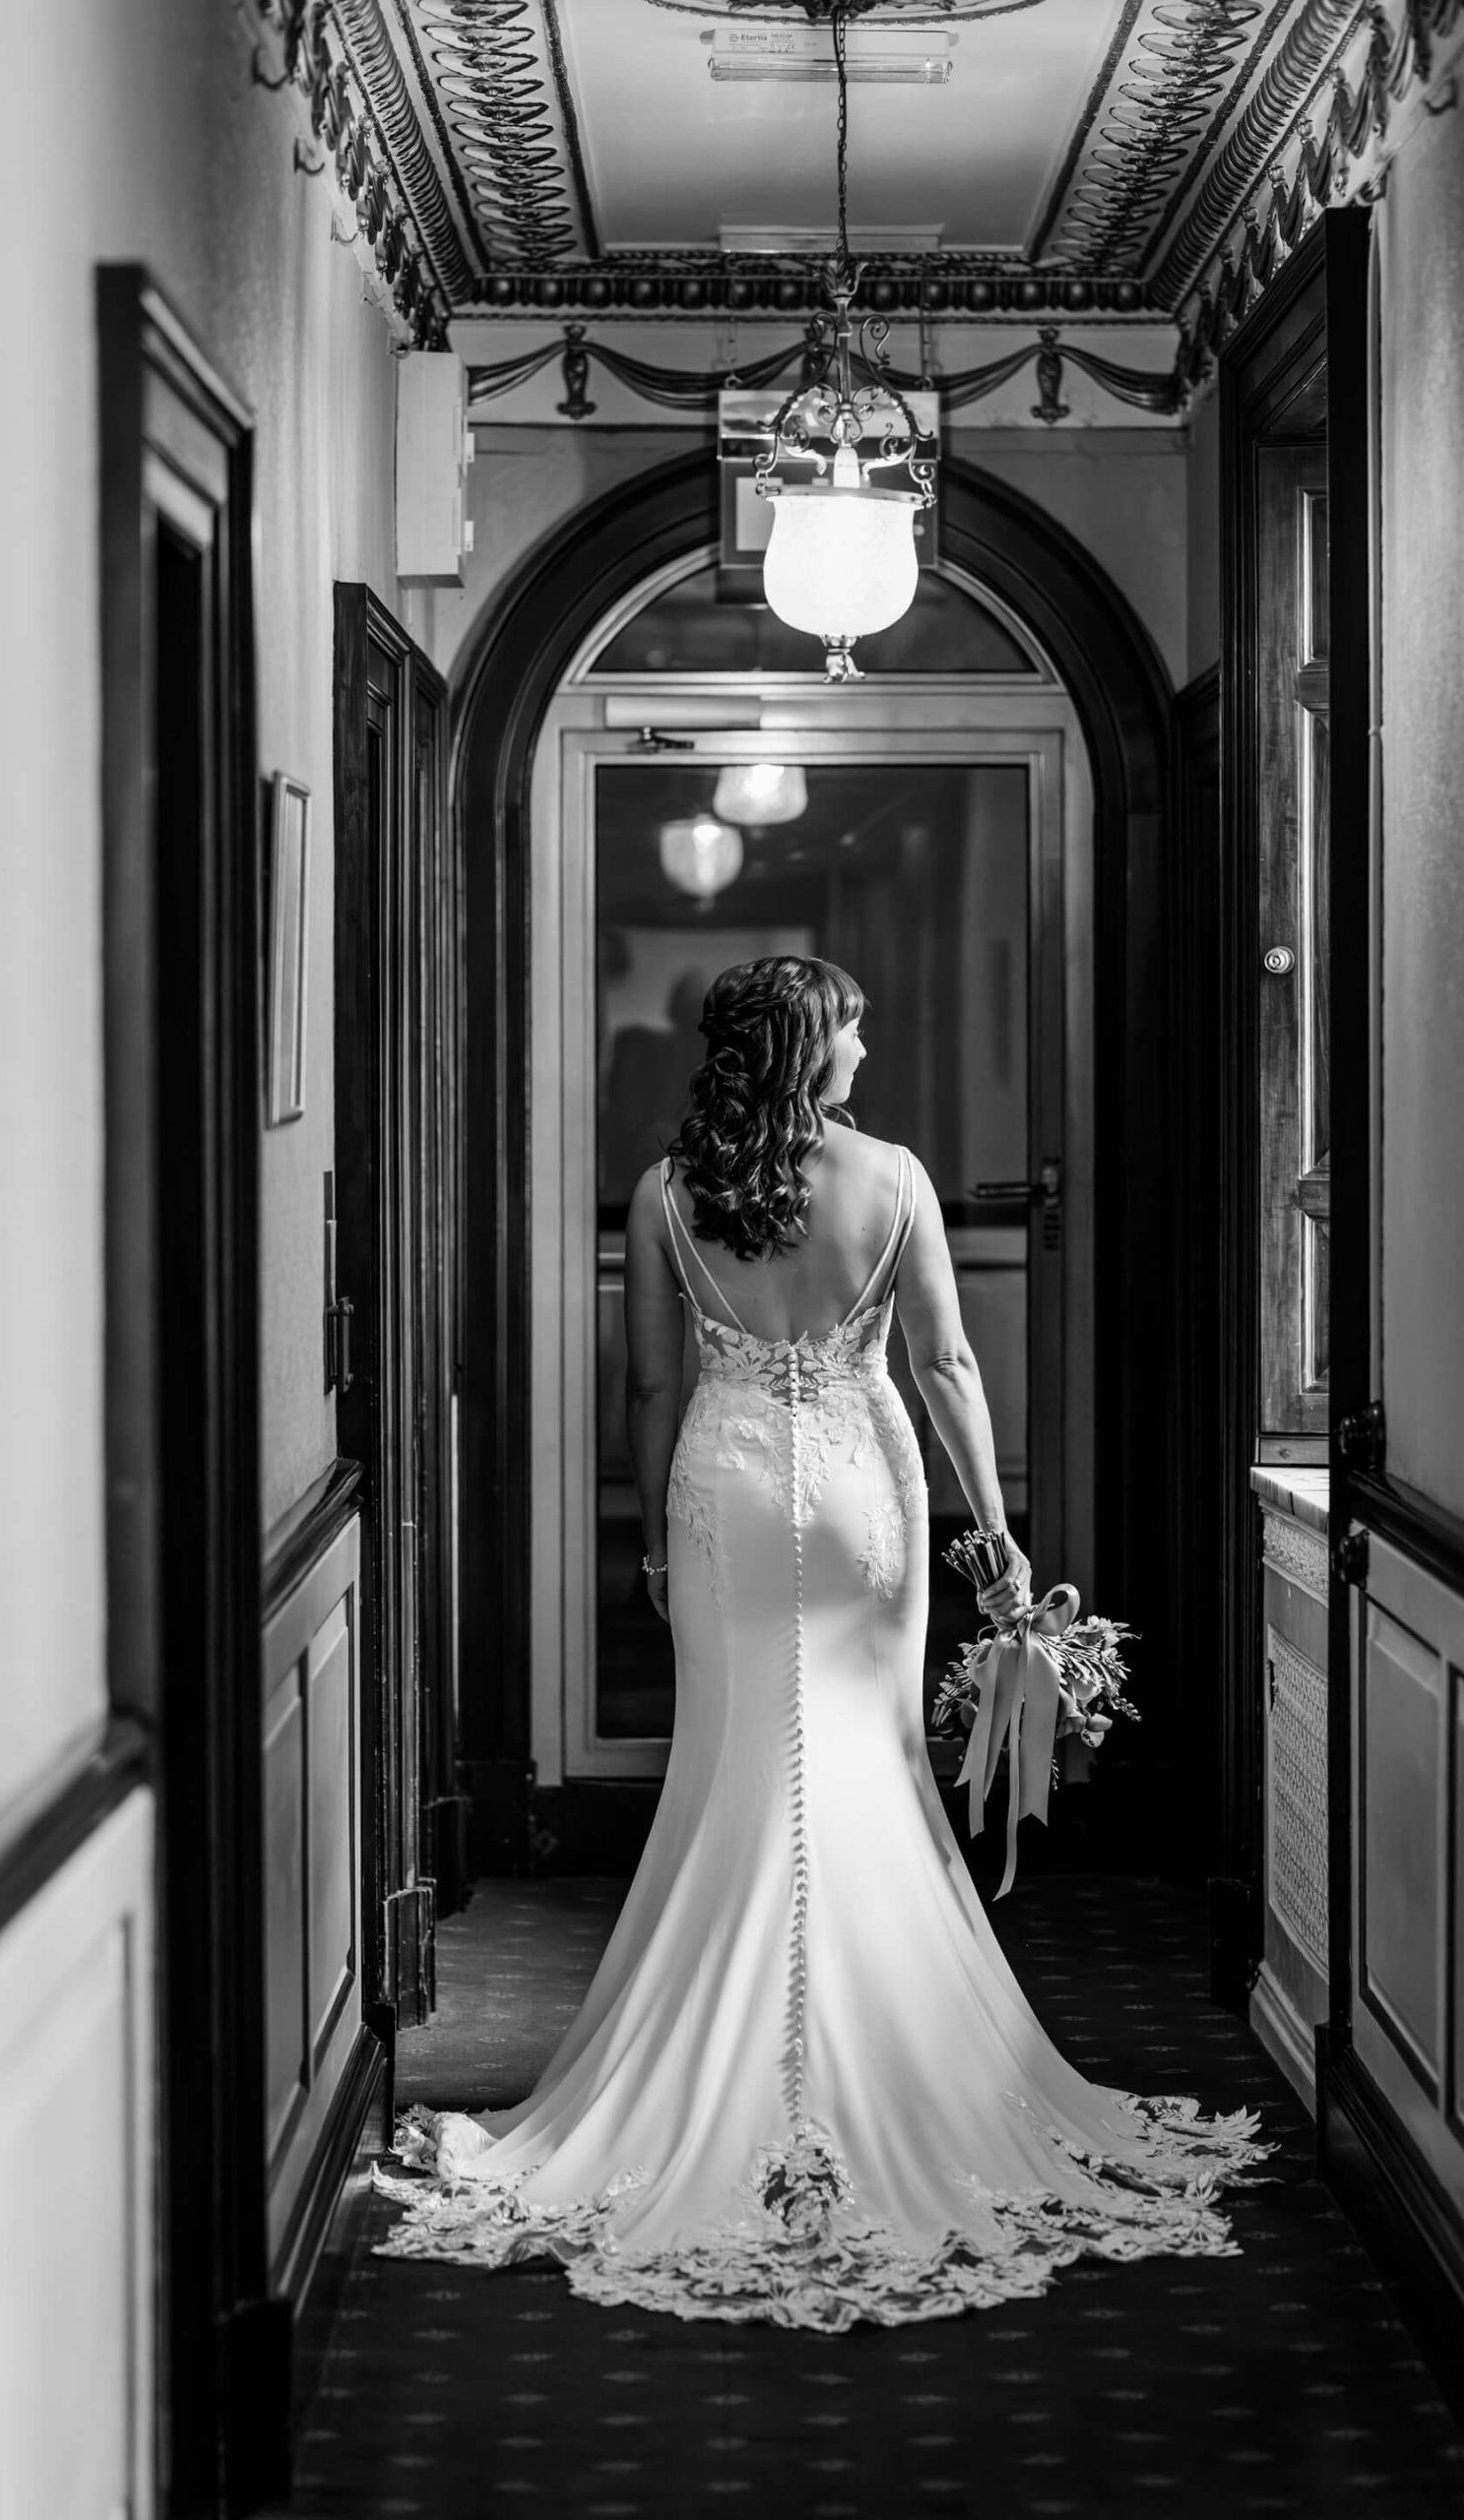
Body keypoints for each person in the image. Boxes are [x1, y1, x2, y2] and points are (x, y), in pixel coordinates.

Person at [374, 956, 1265, 2330]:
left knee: (737, 1766)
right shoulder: (893, 1179)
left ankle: (716, 2074)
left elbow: (651, 1385)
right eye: (852, 1027)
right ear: (808, 1045)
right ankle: (893, 2066)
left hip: (724, 1493)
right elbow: (946, 1366)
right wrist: (996, 1530)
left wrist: (656, 1543)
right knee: (867, 1764)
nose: (867, 1046)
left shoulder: (666, 1193)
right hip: (863, 1493)